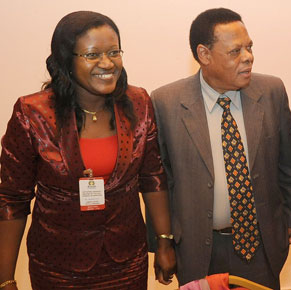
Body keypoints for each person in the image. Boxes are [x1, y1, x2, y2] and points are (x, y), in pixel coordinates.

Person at [0, 11, 175, 289]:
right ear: (66, 60)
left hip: (127, 260)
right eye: (92, 55)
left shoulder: (138, 102)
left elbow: (153, 177)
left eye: (114, 52)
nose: (107, 63)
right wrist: (5, 278)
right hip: (58, 265)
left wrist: (165, 241)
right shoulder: (33, 113)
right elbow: (11, 200)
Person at [147, 7, 291, 290]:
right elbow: (159, 180)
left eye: (249, 47)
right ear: (204, 55)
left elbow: (289, 163)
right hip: (197, 248)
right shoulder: (165, 102)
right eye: (235, 52)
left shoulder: (271, 91)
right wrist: (163, 241)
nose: (248, 57)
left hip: (261, 245)